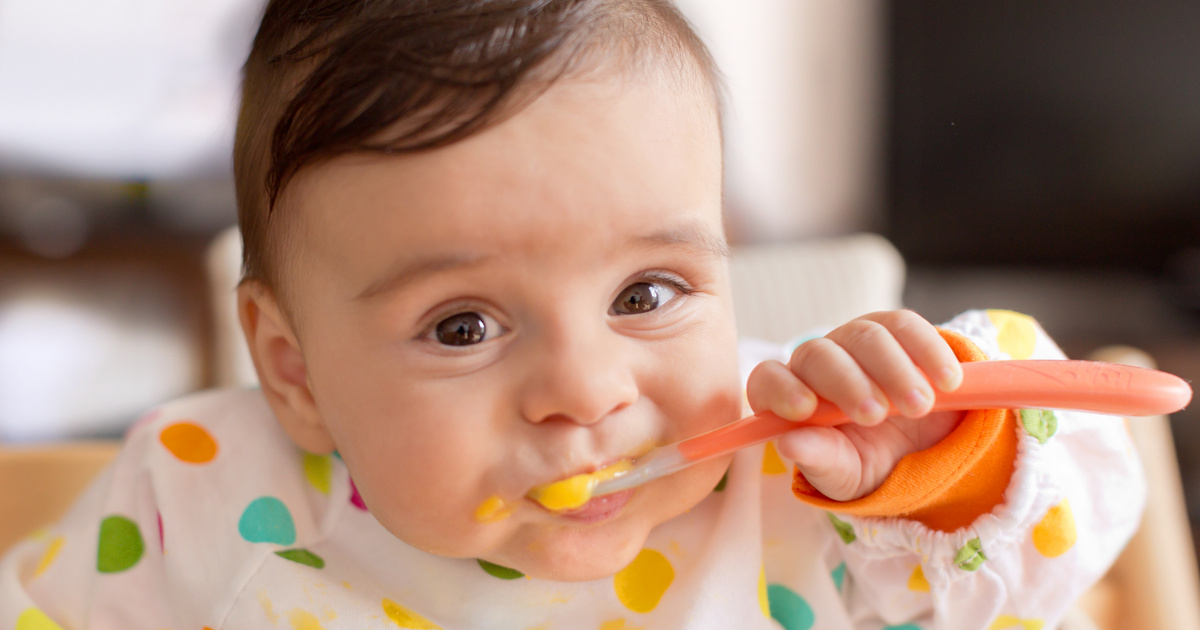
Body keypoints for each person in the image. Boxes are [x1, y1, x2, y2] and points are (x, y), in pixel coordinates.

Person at [0, 1, 1144, 628]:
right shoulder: (200, 494)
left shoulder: (807, 485)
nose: (587, 392)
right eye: (463, 326)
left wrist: (935, 467)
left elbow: (1057, 558)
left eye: (647, 295)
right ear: (295, 374)